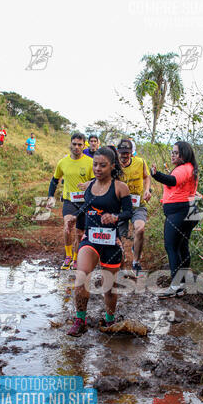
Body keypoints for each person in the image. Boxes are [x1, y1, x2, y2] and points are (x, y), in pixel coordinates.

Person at [67, 146, 133, 337]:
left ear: (112, 166)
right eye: (95, 164)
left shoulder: (120, 187)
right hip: (90, 239)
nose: (97, 168)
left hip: (111, 243)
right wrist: (74, 218)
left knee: (109, 289)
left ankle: (109, 320)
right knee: (81, 278)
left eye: (102, 165)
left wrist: (115, 216)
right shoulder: (89, 186)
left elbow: (129, 212)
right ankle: (80, 320)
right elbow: (86, 208)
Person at [150, 141, 199, 298]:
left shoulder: (184, 168)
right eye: (172, 152)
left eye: (176, 152)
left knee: (171, 247)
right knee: (182, 246)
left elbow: (173, 181)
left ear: (183, 154)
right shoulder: (190, 167)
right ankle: (181, 284)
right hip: (191, 208)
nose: (172, 154)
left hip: (181, 209)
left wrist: (156, 175)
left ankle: (176, 286)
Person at [46, 132, 94, 270]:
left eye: (80, 144)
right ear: (70, 145)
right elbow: (55, 180)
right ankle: (67, 256)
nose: (77, 147)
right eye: (74, 144)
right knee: (67, 227)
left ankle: (76, 258)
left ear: (84, 145)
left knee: (79, 233)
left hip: (85, 203)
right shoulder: (63, 162)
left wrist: (89, 184)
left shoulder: (90, 162)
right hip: (69, 200)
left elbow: (96, 180)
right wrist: (50, 196)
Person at [117, 139, 151, 275]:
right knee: (119, 236)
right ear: (117, 152)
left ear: (132, 153)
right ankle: (120, 260)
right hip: (119, 206)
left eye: (127, 153)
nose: (124, 156)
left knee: (140, 229)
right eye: (121, 153)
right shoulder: (113, 165)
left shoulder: (140, 162)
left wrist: (147, 190)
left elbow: (146, 176)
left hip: (137, 204)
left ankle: (136, 262)